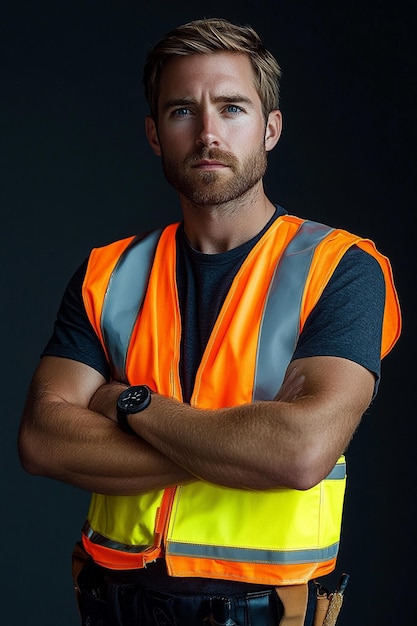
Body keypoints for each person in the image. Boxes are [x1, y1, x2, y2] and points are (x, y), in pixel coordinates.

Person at [18, 17, 401, 626]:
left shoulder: (342, 270)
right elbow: (42, 439)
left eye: (231, 108)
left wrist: (128, 404)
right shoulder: (108, 274)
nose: (207, 133)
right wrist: (244, 449)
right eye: (180, 112)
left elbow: (301, 452)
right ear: (153, 134)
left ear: (271, 127)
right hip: (108, 609)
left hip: (264, 614)